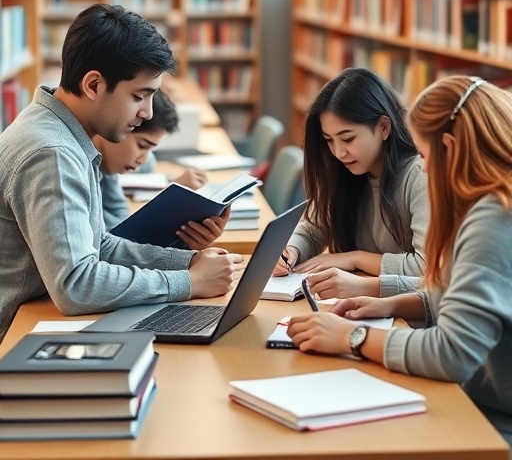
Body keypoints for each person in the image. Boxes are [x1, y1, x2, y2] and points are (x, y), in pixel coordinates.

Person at [286, 75, 512, 450]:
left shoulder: (494, 220)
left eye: (425, 155)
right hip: (475, 400)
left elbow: (452, 353)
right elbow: (461, 298)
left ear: (450, 149)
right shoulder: (490, 205)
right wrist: (391, 303)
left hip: (490, 420)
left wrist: (352, 337)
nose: (423, 168)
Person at [0, 3, 243, 342]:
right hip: (14, 337)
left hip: (34, 317)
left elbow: (98, 245)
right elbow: (76, 285)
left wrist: (187, 262)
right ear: (94, 85)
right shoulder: (52, 152)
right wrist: (190, 282)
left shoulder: (61, 133)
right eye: (139, 96)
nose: (147, 113)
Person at [274, 67, 429, 300]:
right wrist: (291, 251)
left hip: (404, 312)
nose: (339, 152)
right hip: (360, 303)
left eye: (348, 138)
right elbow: (313, 230)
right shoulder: (344, 170)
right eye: (329, 140)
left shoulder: (420, 175)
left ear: (384, 127)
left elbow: (425, 267)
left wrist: (354, 258)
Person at [94, 88, 230, 248]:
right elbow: (110, 247)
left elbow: (121, 234)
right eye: (142, 145)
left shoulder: (108, 167)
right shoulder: (88, 166)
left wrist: (186, 242)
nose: (143, 160)